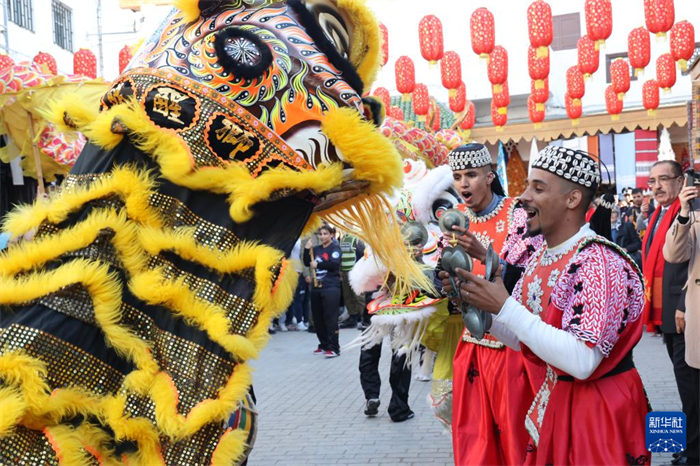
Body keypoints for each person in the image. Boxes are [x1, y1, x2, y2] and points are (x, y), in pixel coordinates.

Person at [443, 145, 649, 465]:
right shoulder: (541, 257)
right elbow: (523, 340)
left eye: (537, 188)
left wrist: (506, 308)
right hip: (555, 404)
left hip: (599, 414)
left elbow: (583, 361)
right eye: (526, 186)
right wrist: (479, 301)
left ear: (572, 199)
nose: (523, 197)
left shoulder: (597, 260)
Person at [442, 143, 543, 465]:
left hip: (511, 349)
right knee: (474, 437)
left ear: (490, 176)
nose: (464, 184)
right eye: (458, 176)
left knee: (515, 436)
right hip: (471, 344)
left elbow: (532, 275)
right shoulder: (454, 219)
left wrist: (481, 253)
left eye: (471, 175)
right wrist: (444, 282)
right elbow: (446, 268)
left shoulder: (517, 213)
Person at [663, 179, 700, 466]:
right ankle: (691, 446)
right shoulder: (690, 215)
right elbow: (674, 257)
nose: (655, 186)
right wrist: (685, 213)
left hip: (683, 310)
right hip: (686, 313)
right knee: (691, 387)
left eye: (662, 180)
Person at [642, 161, 688, 336]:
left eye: (663, 179)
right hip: (662, 303)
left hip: (682, 306)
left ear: (679, 181)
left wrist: (684, 305)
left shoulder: (690, 211)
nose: (657, 186)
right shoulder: (656, 215)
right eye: (652, 181)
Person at [304, 224, 343, 358]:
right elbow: (306, 262)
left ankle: (334, 347)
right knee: (318, 318)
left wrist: (318, 265)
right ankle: (324, 344)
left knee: (330, 318)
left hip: (331, 287)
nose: (323, 236)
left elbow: (334, 265)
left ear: (331, 235)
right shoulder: (316, 249)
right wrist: (306, 249)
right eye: (321, 234)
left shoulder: (335, 248)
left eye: (325, 234)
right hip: (316, 287)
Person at [339, 232, 365, 329]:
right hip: (345, 271)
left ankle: (364, 318)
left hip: (355, 270)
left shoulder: (357, 238)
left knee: (358, 296)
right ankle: (353, 317)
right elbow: (341, 255)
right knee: (348, 295)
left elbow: (362, 254)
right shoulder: (343, 238)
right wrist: (340, 269)